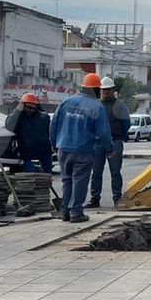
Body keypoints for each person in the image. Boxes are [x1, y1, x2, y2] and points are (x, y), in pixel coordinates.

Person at [49, 73, 113, 223]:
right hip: (83, 150)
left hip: (63, 148)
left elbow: (53, 124)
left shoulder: (66, 102)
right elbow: (103, 132)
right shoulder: (97, 107)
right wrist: (110, 149)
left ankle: (65, 211)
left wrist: (53, 143)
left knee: (67, 180)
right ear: (97, 89)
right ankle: (76, 212)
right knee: (79, 181)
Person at [88, 77, 131, 208]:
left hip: (115, 141)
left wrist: (118, 137)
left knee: (115, 172)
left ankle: (117, 198)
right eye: (104, 90)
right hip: (98, 143)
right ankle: (95, 199)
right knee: (96, 172)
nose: (106, 92)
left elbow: (126, 124)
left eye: (108, 90)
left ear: (113, 90)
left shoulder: (120, 105)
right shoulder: (95, 105)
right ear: (100, 91)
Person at [6, 93, 52, 174]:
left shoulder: (44, 117)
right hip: (28, 155)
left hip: (44, 154)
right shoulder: (18, 118)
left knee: (46, 179)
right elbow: (9, 126)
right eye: (28, 107)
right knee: (32, 178)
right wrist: (17, 110)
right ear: (22, 105)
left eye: (33, 108)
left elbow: (51, 133)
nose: (31, 110)